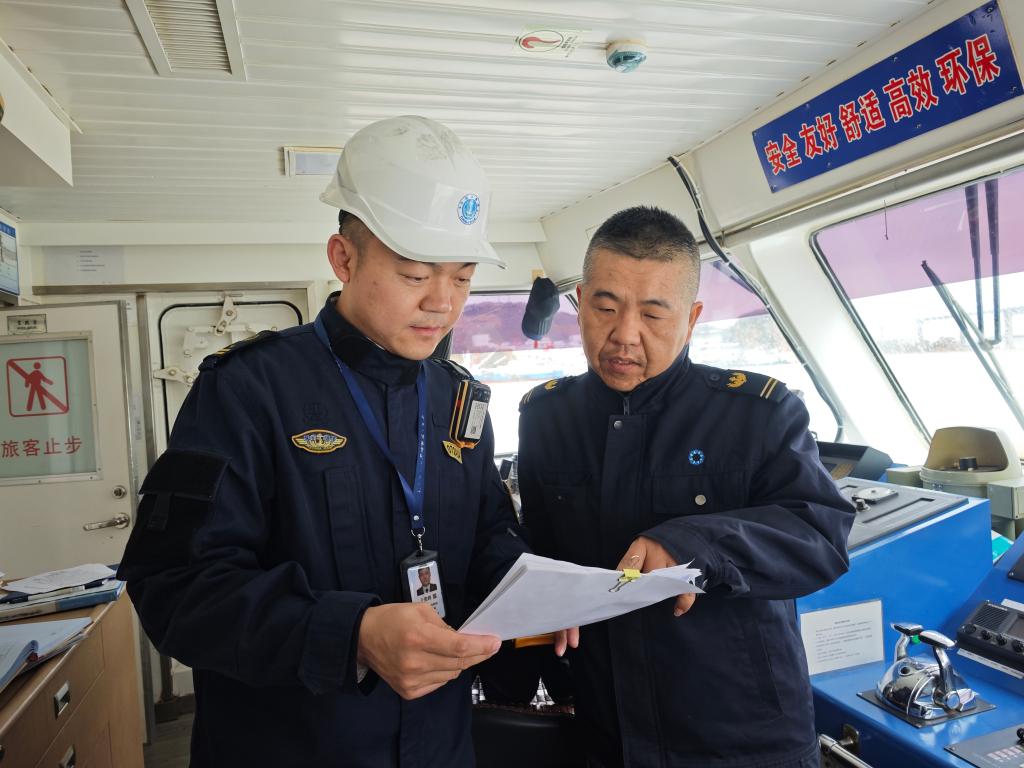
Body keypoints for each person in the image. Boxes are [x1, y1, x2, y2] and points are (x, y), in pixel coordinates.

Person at [118, 115, 547, 767]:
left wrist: (531, 591)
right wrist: (350, 634)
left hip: (439, 743)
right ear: (343, 258)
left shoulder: (460, 396)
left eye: (461, 277)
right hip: (293, 744)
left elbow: (488, 531)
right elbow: (175, 586)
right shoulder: (248, 389)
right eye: (415, 274)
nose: (443, 302)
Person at [517, 206, 855, 768]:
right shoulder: (545, 418)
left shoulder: (758, 415)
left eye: (653, 314)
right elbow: (538, 547)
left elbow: (820, 539)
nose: (624, 335)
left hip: (744, 741)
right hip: (607, 733)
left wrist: (696, 546)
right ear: (579, 307)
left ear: (693, 317)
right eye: (605, 307)